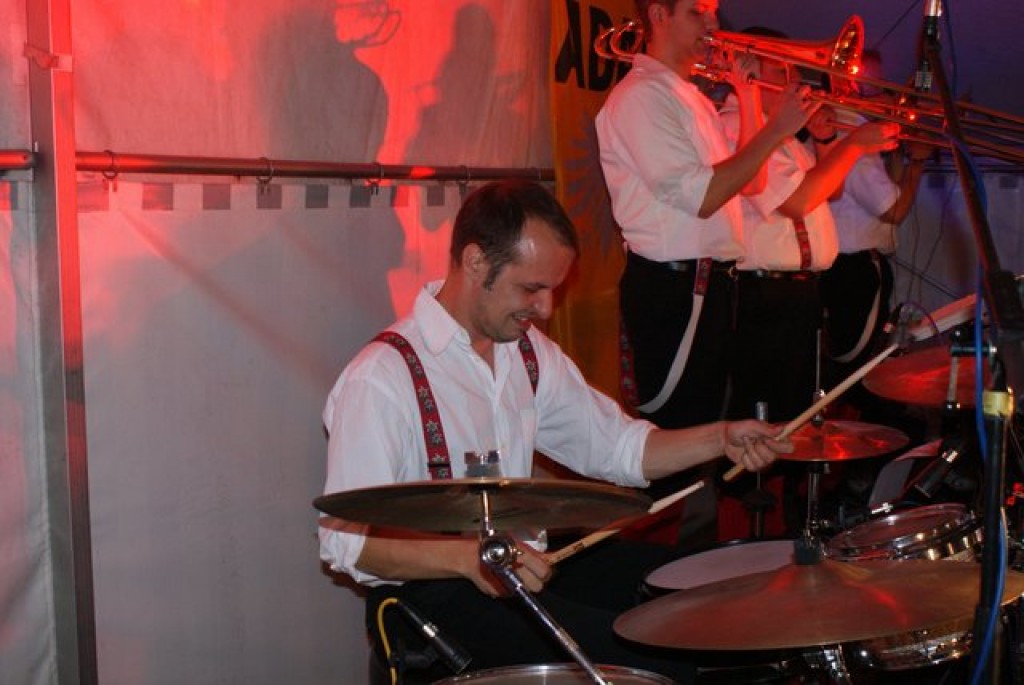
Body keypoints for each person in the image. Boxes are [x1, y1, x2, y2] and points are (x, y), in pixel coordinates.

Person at [318, 180, 791, 683]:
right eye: (531, 289)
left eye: (551, 290)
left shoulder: (527, 352)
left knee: (694, 597)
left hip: (527, 567)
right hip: (433, 596)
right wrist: (472, 559)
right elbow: (345, 545)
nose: (545, 309)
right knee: (654, 659)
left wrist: (721, 438)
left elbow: (620, 448)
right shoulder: (382, 378)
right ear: (475, 262)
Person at [594, 0, 816, 548]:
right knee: (675, 440)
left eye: (714, 12)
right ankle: (655, 570)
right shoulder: (640, 97)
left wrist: (748, 96)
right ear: (658, 15)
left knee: (707, 441)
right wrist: (776, 129)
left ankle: (698, 560)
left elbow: (752, 184)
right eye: (698, 12)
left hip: (709, 283)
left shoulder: (688, 95)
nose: (714, 26)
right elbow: (702, 196)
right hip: (674, 286)